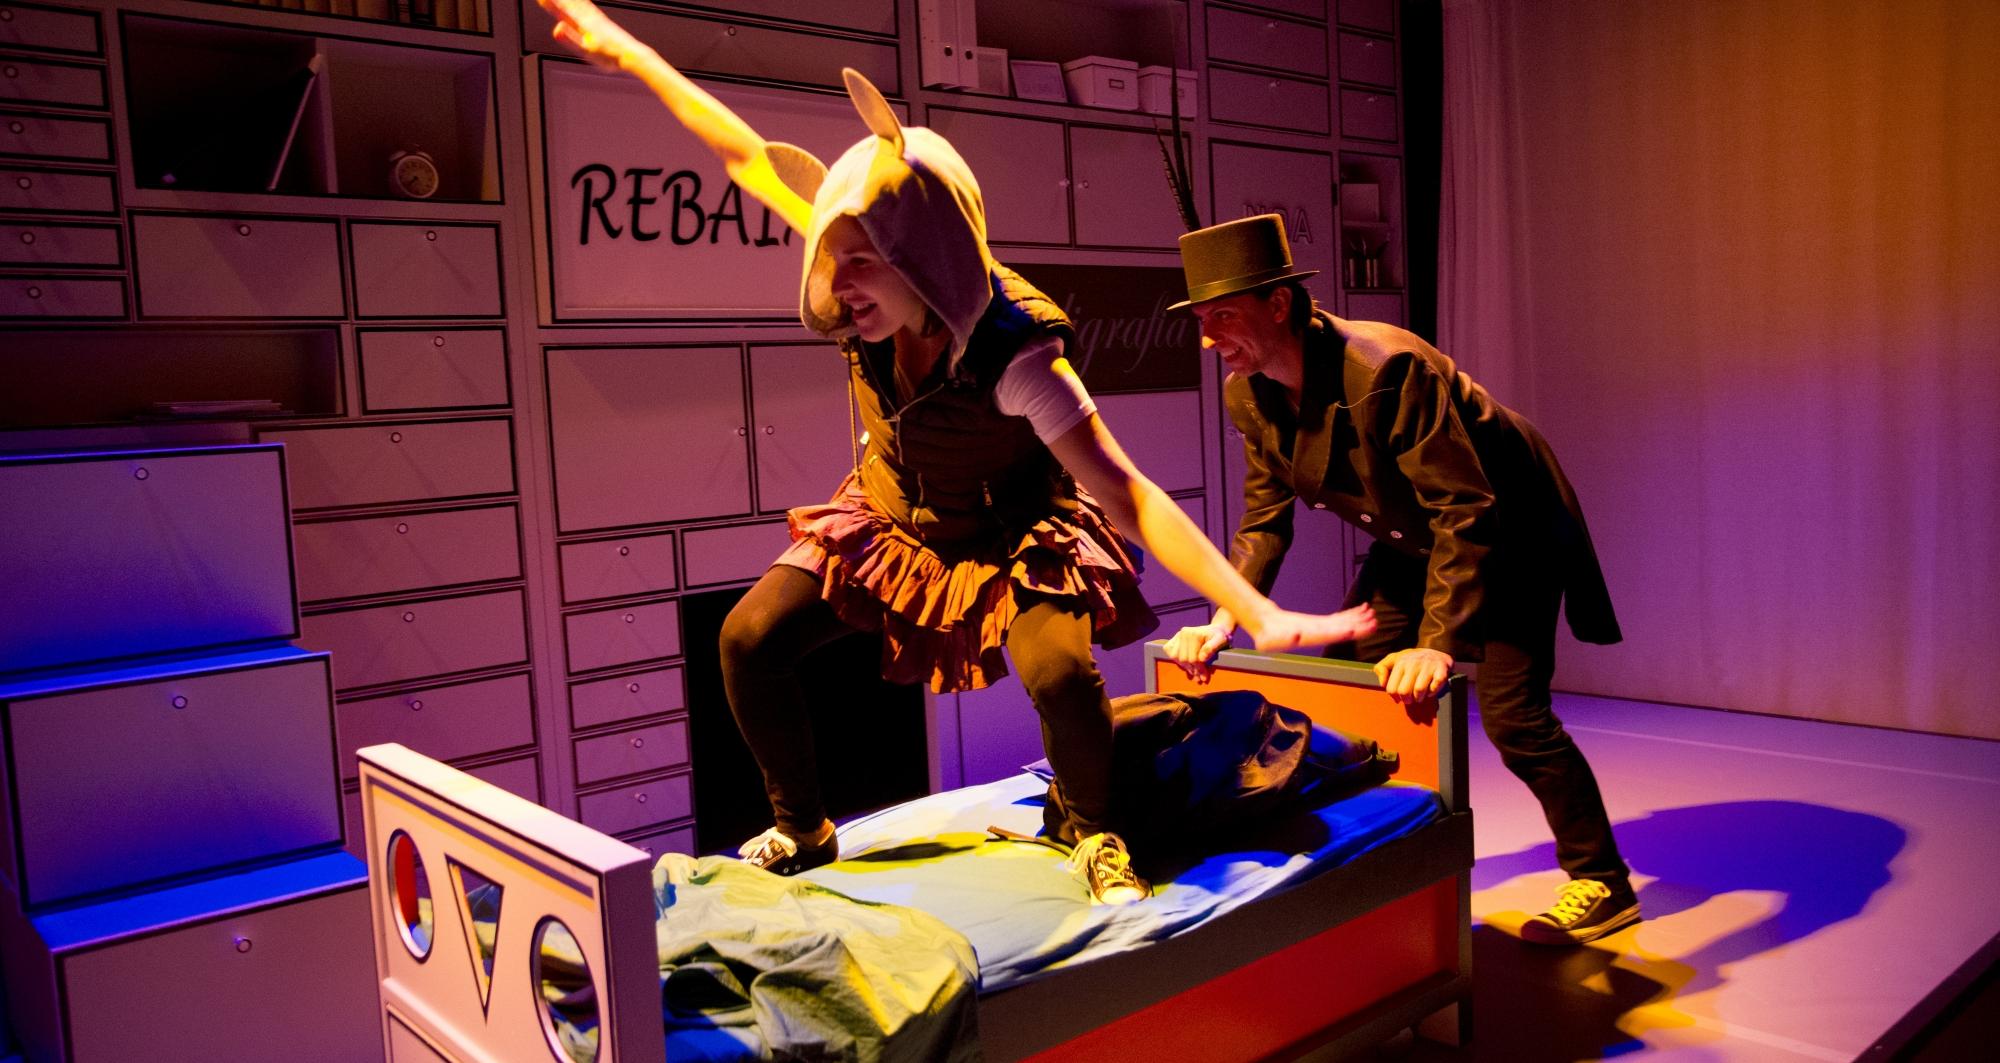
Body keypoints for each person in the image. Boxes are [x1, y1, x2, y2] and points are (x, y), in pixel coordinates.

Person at [537, 2, 1376, 905]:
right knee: (747, 639)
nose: (838, 282)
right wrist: (630, 52)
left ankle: (1098, 833)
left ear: (924, 255)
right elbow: (745, 154)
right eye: (833, 259)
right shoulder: (862, 285)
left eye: (862, 263)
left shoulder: (1017, 354)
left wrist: (1255, 610)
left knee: (1061, 674)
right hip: (894, 514)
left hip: (1013, 531)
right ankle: (804, 826)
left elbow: (1128, 493)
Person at [1161, 214, 1639, 943]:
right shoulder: (1249, 392)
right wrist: (1224, 619)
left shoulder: (1386, 367)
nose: (1207, 336)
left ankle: (1602, 879)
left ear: (1278, 303)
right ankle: (1390, 861)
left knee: (1515, 719)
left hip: (1507, 532)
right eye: (1201, 319)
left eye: (1222, 315)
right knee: (1356, 688)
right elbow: (1264, 521)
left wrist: (1437, 644)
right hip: (1416, 540)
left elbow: (1466, 507)